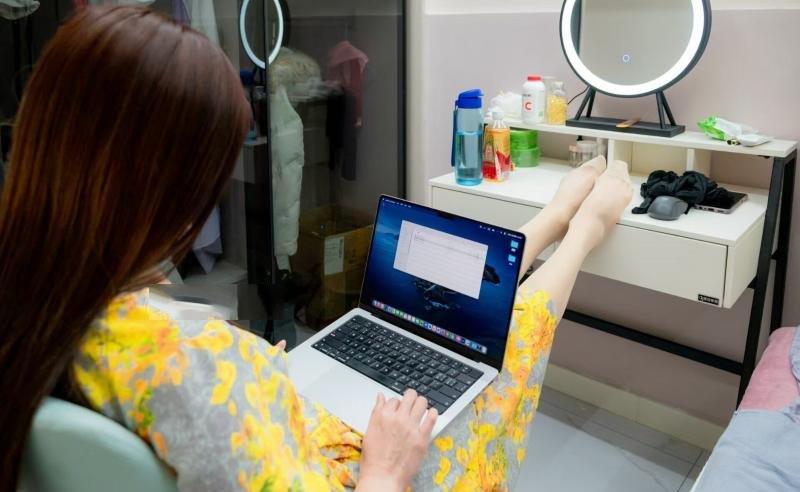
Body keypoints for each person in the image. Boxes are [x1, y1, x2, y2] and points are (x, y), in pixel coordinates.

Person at [0, 6, 633, 492]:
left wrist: (254, 375)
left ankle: (550, 222)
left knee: (459, 321)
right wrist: (385, 469)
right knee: (507, 343)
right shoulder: (188, 364)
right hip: (353, 470)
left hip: (288, 429)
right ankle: (581, 230)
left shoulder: (38, 300)